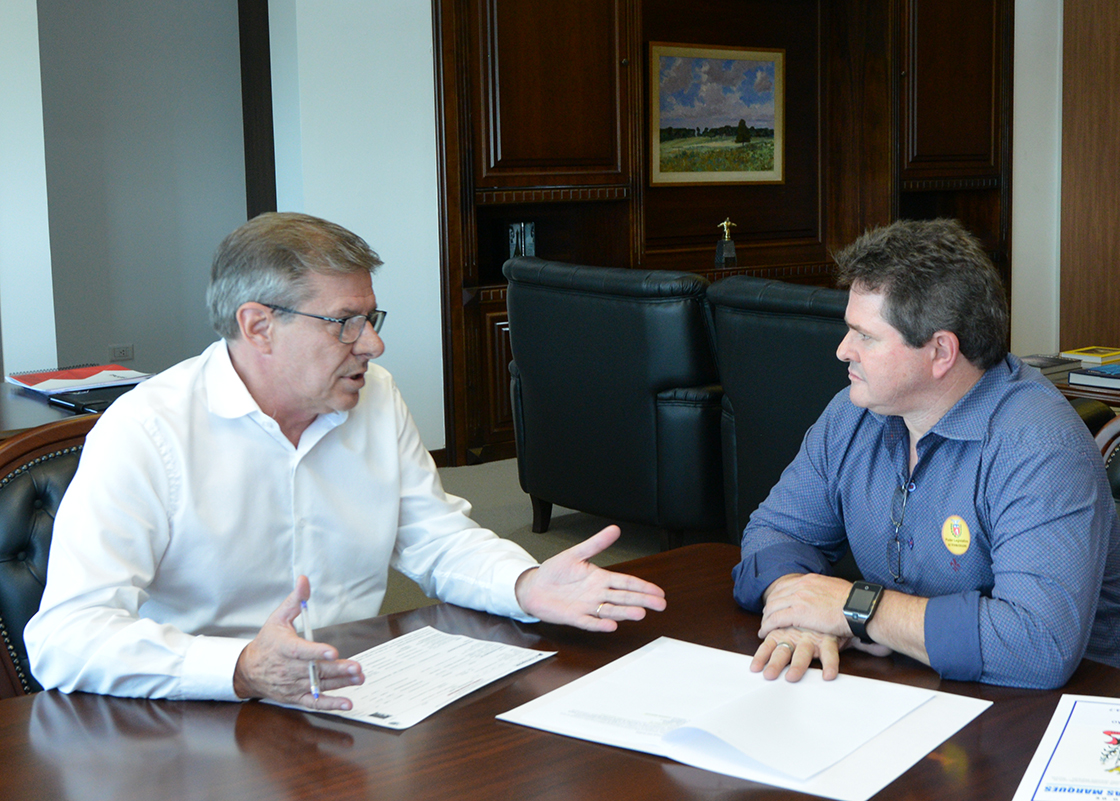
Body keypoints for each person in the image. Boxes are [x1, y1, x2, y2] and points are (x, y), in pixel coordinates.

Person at [25, 212, 666, 709]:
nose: (375, 344)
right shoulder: (148, 430)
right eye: (345, 322)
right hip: (199, 715)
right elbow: (65, 638)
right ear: (257, 326)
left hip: (362, 696)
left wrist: (523, 584)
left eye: (371, 317)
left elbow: (435, 539)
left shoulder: (374, 399)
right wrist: (240, 669)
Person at [732, 218, 1120, 690]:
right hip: (936, 689)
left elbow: (1038, 646)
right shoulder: (854, 414)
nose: (842, 350)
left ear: (940, 351)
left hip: (1089, 711)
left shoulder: (1039, 445)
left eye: (866, 336)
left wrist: (856, 607)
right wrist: (796, 607)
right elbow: (774, 531)